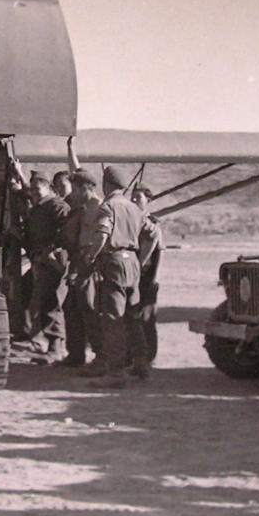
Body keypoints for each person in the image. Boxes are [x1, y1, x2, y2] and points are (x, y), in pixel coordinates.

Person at [84, 166, 158, 388]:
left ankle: (116, 372)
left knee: (112, 318)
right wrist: (141, 259)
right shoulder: (133, 208)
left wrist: (90, 256)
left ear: (107, 185)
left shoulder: (109, 206)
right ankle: (141, 362)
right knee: (133, 315)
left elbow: (102, 235)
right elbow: (153, 233)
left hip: (114, 262)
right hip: (132, 263)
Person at [23, 171, 71, 362]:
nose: (34, 192)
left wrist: (52, 251)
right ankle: (50, 345)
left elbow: (66, 231)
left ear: (48, 187)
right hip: (40, 260)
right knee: (43, 301)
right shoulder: (37, 208)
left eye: (37, 188)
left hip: (53, 261)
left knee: (53, 302)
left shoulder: (57, 206)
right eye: (32, 189)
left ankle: (56, 348)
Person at [59, 170, 102, 368]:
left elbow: (101, 238)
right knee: (71, 307)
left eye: (75, 189)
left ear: (85, 188)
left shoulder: (98, 207)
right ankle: (75, 354)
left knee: (89, 307)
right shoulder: (81, 207)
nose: (72, 193)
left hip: (91, 263)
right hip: (78, 260)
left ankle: (101, 355)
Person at [131, 182, 164, 371]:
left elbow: (159, 252)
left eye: (139, 197)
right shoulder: (130, 219)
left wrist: (155, 279)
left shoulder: (153, 223)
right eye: (133, 197)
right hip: (132, 273)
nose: (135, 200)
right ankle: (135, 356)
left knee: (147, 317)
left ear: (148, 201)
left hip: (146, 275)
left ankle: (149, 356)